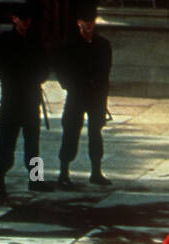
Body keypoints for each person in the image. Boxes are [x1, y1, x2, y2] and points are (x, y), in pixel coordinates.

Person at [0, 1, 47, 196]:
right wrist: (13, 77)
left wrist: (36, 77)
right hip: (12, 99)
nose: (26, 23)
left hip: (31, 98)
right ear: (14, 19)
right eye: (22, 19)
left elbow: (44, 68)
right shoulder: (3, 41)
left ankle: (36, 178)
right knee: (7, 142)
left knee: (33, 142)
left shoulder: (35, 41)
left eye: (28, 19)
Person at [57, 6, 114, 185]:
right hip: (77, 95)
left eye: (91, 22)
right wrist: (71, 85)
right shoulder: (69, 45)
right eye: (85, 22)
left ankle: (96, 171)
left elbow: (105, 72)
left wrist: (100, 91)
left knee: (95, 133)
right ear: (78, 23)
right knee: (71, 132)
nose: (88, 25)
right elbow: (62, 71)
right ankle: (64, 172)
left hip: (96, 95)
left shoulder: (103, 45)